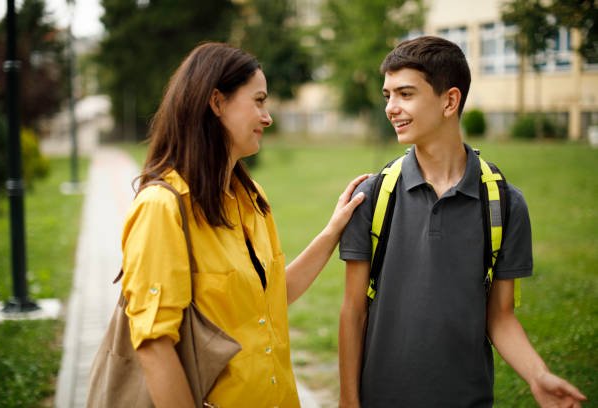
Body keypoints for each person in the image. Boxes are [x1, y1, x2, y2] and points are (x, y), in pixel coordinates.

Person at [338, 36, 587, 407]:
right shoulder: (373, 196)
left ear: (449, 101)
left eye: (405, 94)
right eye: (387, 94)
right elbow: (353, 311)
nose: (391, 107)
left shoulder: (504, 203)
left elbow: (500, 318)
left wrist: (538, 374)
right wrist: (348, 400)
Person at [121, 42, 367, 407]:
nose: (267, 117)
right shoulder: (162, 207)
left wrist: (332, 232)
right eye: (259, 100)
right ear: (217, 102)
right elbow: (154, 344)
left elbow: (272, 296)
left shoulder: (252, 200)